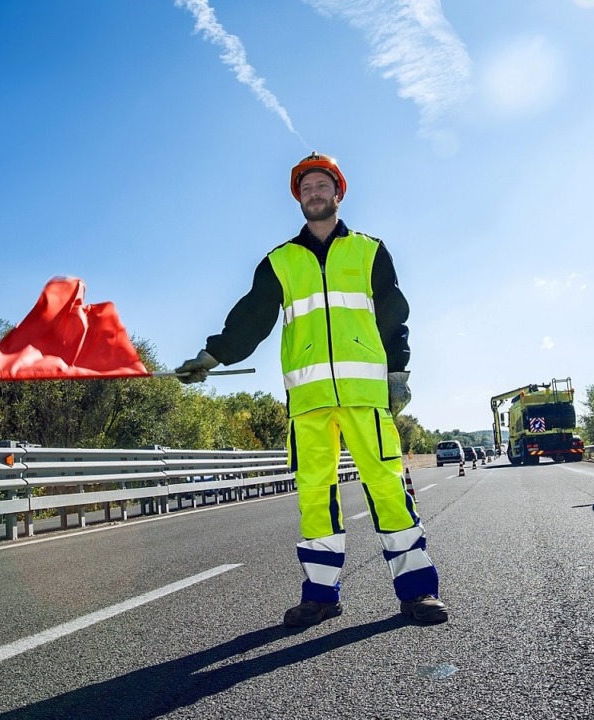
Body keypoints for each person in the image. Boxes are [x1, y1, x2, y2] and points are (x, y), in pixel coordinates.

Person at [175, 152, 448, 628]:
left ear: (337, 193)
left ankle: (418, 593)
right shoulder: (280, 262)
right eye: (306, 189)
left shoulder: (369, 251)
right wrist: (210, 358)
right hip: (309, 405)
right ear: (298, 199)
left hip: (366, 400)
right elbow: (250, 320)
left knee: (387, 489)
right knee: (314, 497)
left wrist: (398, 374)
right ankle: (321, 596)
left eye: (322, 186)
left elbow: (393, 317)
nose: (314, 194)